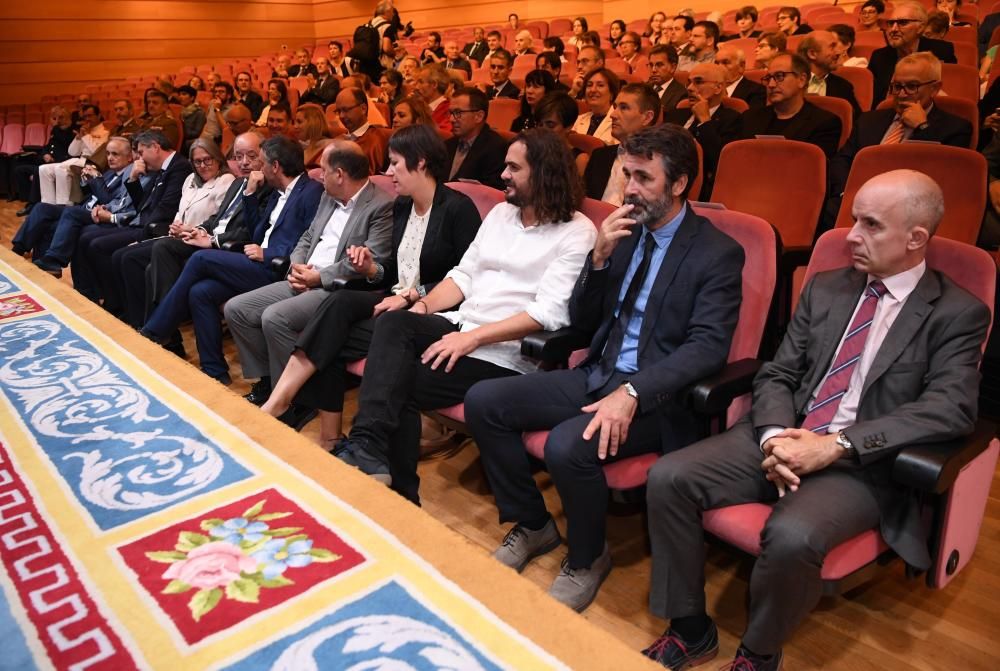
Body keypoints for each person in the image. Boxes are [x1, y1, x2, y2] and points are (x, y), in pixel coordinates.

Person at [641, 169, 990, 671]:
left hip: (862, 461)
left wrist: (836, 445)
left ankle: (759, 652)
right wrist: (776, 437)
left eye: (871, 225)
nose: (850, 236)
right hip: (788, 430)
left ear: (916, 239)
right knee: (668, 477)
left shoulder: (956, 312)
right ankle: (690, 629)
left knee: (792, 536)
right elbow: (780, 371)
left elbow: (951, 407)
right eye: (854, 221)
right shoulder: (827, 287)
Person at [466, 123, 744, 612]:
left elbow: (707, 349)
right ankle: (533, 523)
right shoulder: (623, 231)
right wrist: (597, 259)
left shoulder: (717, 253)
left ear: (679, 185)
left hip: (658, 398)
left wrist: (633, 393)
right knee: (484, 402)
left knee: (566, 446)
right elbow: (586, 320)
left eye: (644, 178)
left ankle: (588, 556)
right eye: (626, 175)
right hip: (599, 372)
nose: (630, 189)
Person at [330, 129, 598, 503]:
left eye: (513, 167)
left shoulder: (577, 231)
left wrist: (472, 337)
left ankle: (395, 487)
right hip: (461, 325)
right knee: (396, 321)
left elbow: (548, 314)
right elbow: (463, 275)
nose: (503, 174)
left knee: (397, 379)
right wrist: (421, 307)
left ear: (543, 173)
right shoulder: (503, 214)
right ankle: (370, 450)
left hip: (505, 353)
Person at [259, 124, 482, 444]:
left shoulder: (458, 209)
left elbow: (463, 278)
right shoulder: (403, 206)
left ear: (420, 163)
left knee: (334, 326)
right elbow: (387, 272)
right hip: (393, 299)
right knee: (337, 304)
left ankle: (287, 405)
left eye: (395, 163)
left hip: (432, 310)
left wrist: (412, 295)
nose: (388, 172)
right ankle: (325, 433)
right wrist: (369, 267)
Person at [225, 140, 394, 419]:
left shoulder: (381, 206)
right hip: (305, 275)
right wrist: (297, 265)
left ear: (339, 174)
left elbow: (371, 260)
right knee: (237, 309)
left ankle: (298, 401)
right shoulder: (328, 196)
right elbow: (307, 236)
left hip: (337, 288)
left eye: (324, 170)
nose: (318, 174)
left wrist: (319, 277)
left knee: (274, 317)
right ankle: (271, 383)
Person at [139, 136, 323, 384]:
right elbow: (256, 231)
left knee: (201, 259)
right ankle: (214, 371)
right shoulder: (278, 191)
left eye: (262, 161)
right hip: (255, 259)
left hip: (276, 267)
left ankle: (155, 330)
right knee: (200, 291)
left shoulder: (310, 191)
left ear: (275, 166)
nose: (257, 166)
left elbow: (308, 238)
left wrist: (267, 253)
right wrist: (248, 194)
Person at [114, 138, 235, 328]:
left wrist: (190, 230)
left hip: (199, 240)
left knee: (146, 261)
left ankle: (161, 324)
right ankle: (138, 322)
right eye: (197, 161)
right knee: (124, 255)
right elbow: (180, 213)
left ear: (218, 159)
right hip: (178, 237)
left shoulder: (226, 181)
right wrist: (175, 226)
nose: (203, 165)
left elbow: (218, 220)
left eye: (207, 159)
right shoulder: (190, 180)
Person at [829, 52, 972, 213]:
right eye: (897, 87)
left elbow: (942, 177)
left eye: (912, 86)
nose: (902, 94)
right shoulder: (869, 120)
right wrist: (846, 193)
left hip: (909, 209)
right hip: (857, 198)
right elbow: (842, 160)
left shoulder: (956, 128)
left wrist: (922, 127)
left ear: (934, 89)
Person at [72, 130, 193, 310]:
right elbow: (142, 204)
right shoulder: (161, 168)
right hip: (144, 223)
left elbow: (165, 209)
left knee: (100, 246)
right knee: (86, 237)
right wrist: (134, 179)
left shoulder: (178, 167)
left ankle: (118, 304)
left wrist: (140, 235)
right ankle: (94, 294)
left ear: (155, 147)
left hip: (155, 228)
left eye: (141, 152)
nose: (140, 159)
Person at [15, 137, 136, 267]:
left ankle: (54, 261)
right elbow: (91, 195)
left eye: (115, 154)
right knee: (42, 208)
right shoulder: (110, 173)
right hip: (84, 209)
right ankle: (18, 249)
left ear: (129, 157)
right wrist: (86, 181)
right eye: (108, 153)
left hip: (98, 215)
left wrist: (96, 178)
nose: (110, 158)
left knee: (69, 213)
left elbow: (110, 202)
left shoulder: (130, 176)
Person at [739, 53, 842, 159]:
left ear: (801, 80)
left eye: (779, 76)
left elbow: (814, 169)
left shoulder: (824, 123)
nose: (771, 84)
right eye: (768, 78)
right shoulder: (750, 118)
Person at [664, 64, 742, 199]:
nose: (689, 88)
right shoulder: (675, 114)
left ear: (718, 88)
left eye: (698, 82)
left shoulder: (732, 119)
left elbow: (719, 163)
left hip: (699, 188)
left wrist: (705, 120)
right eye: (688, 82)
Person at [869, 2, 957, 105]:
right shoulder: (879, 57)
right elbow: (875, 101)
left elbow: (947, 97)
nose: (893, 29)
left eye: (903, 23)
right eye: (891, 23)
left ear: (920, 27)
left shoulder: (941, 51)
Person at [585, 84, 660, 205]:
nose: (613, 115)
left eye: (624, 108)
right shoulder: (599, 156)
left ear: (647, 117)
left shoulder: (659, 163)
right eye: (615, 107)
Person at [445, 87, 508, 189]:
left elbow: (492, 193)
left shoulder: (496, 148)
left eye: (458, 113)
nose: (451, 119)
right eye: (451, 113)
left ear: (478, 116)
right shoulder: (447, 145)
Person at [799, 31, 863, 117]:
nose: (839, 52)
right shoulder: (790, 81)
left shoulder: (844, 87)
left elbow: (856, 121)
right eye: (832, 46)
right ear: (812, 54)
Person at [533, 92, 591, 177]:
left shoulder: (579, 159)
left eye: (550, 125)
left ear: (568, 126)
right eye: (540, 125)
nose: (543, 130)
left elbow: (577, 189)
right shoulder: (533, 151)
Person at [335, 87, 390, 174]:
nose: (341, 116)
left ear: (363, 108)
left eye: (346, 110)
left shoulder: (379, 139)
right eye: (338, 111)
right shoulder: (337, 141)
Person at [573, 68, 621, 145]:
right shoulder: (578, 120)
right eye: (589, 85)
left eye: (600, 85)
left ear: (612, 94)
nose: (593, 90)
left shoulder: (620, 121)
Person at [647, 45, 687, 116]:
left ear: (673, 67)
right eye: (651, 65)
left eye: (659, 65)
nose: (653, 70)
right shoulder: (643, 88)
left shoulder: (682, 94)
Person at [413, 65, 452, 133]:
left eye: (421, 82)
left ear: (434, 84)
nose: (416, 87)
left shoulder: (449, 109)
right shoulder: (418, 107)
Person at [176, 85, 206, 154]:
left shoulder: (199, 112)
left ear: (192, 97)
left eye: (184, 94)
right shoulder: (181, 112)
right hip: (180, 139)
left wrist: (182, 131)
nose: (180, 97)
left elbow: (197, 133)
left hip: (189, 142)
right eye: (179, 94)